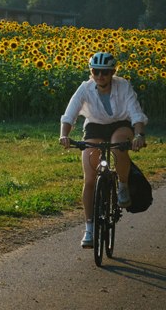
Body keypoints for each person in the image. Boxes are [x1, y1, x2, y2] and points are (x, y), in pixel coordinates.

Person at [58, 52, 148, 249]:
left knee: (119, 144)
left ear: (113, 72)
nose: (100, 76)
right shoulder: (85, 88)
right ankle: (89, 228)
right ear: (91, 72)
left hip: (120, 124)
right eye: (96, 71)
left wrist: (139, 135)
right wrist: (64, 135)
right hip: (95, 126)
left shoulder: (123, 86)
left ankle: (122, 185)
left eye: (105, 72)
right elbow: (69, 114)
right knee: (90, 178)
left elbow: (135, 113)